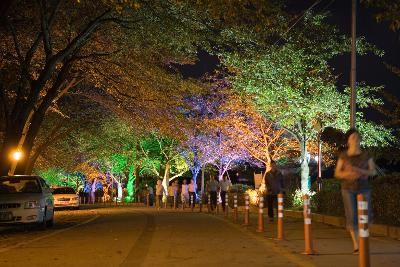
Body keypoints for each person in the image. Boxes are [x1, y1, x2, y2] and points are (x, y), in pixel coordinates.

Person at [334, 128, 376, 254]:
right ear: (348, 140)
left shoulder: (366, 155)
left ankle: (364, 241)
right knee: (352, 216)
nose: (355, 140)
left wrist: (360, 171)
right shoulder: (344, 155)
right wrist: (348, 173)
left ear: (360, 139)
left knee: (365, 216)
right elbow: (337, 173)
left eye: (357, 137)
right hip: (348, 189)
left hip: (364, 188)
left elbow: (373, 171)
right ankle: (357, 245)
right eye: (353, 137)